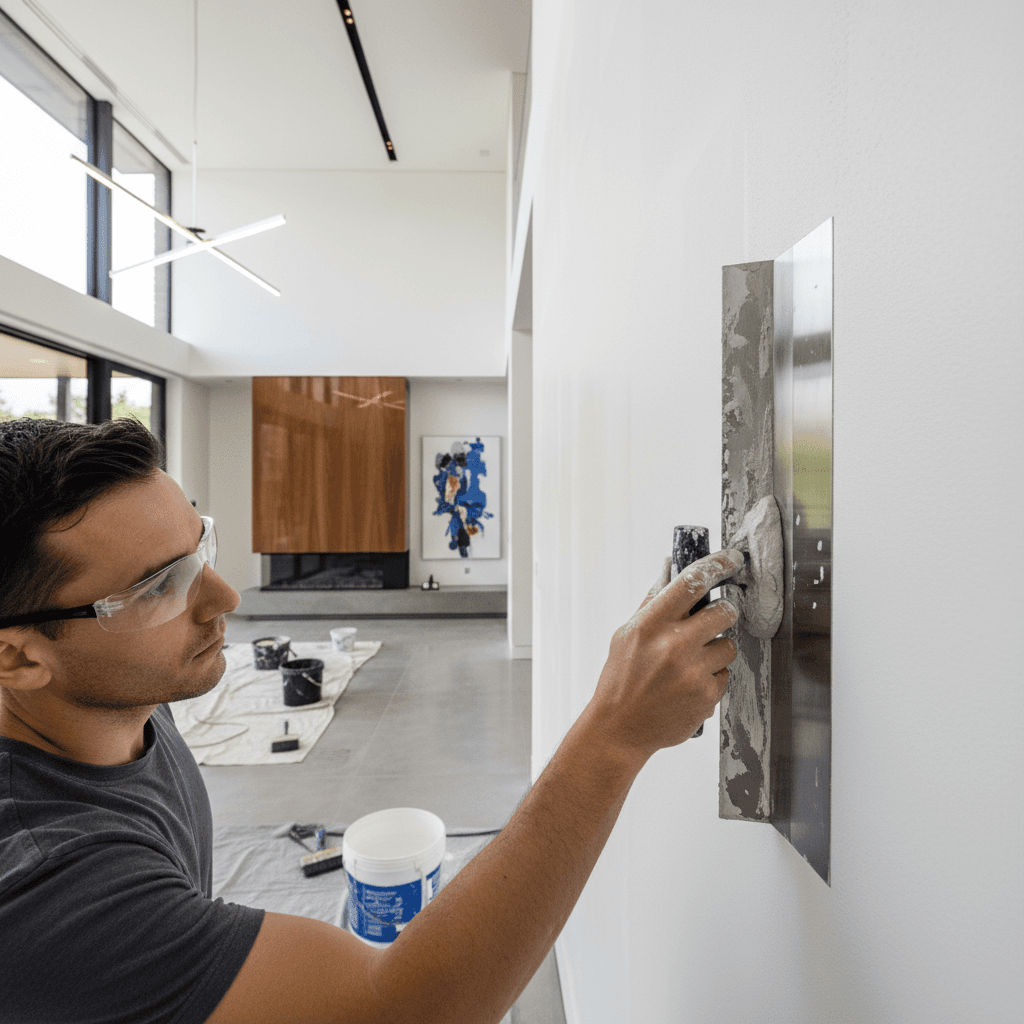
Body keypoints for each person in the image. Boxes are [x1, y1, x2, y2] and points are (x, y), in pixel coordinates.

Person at [0, 416, 742, 1024]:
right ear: (20, 658)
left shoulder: (116, 697)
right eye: (159, 588)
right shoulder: (50, 892)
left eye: (201, 548)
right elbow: (407, 1010)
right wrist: (615, 733)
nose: (225, 598)